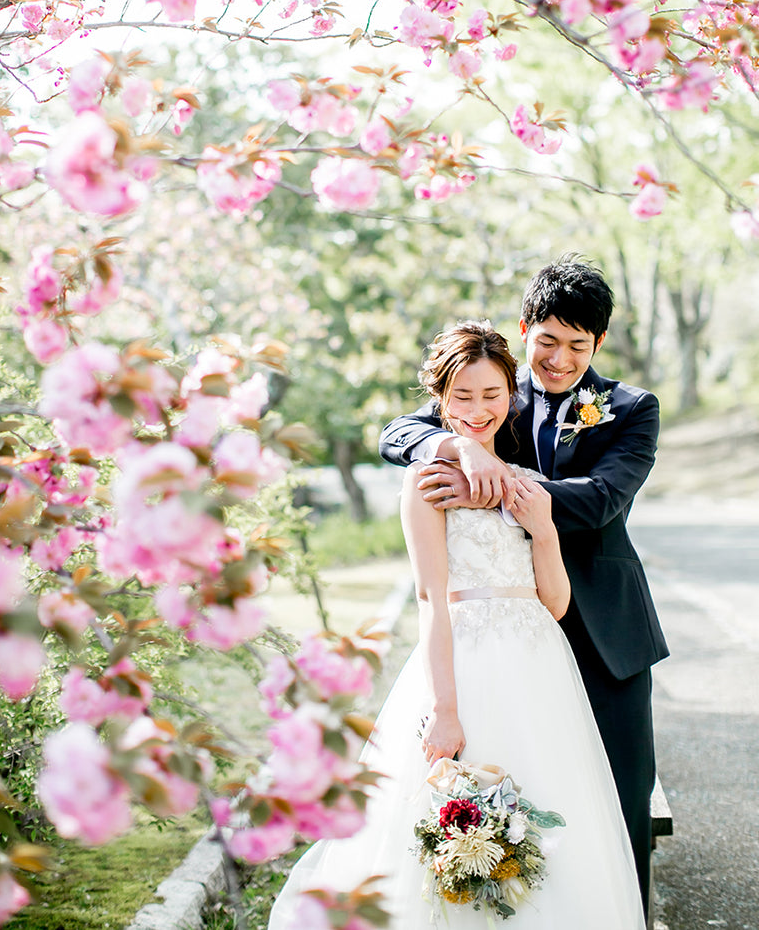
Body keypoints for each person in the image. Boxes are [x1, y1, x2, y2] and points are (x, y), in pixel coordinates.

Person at [269, 321, 645, 930]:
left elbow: (554, 603)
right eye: (462, 396)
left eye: (492, 395)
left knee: (550, 812)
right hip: (465, 663)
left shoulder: (527, 484)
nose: (478, 409)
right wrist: (445, 709)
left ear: (510, 396)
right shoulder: (427, 482)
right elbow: (429, 600)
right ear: (441, 400)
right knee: (451, 815)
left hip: (541, 668)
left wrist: (544, 529)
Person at [378, 258, 668, 916]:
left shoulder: (632, 409)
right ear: (525, 328)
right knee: (507, 780)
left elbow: (602, 499)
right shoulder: (495, 392)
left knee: (620, 800)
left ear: (598, 342)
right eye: (548, 341)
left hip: (605, 632)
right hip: (507, 638)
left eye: (578, 345)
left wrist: (501, 485)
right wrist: (459, 450)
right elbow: (399, 432)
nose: (560, 359)